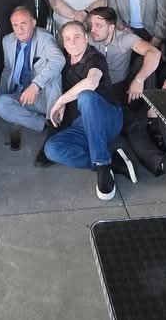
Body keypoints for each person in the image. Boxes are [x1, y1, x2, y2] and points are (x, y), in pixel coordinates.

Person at [43, 21, 125, 200]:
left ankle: (102, 164)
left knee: (86, 96)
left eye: (77, 36)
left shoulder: (95, 58)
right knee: (52, 149)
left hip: (107, 119)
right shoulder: (64, 60)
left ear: (86, 38)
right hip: (81, 125)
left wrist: (61, 101)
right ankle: (112, 162)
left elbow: (91, 82)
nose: (72, 42)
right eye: (67, 38)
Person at [87, 6, 161, 180]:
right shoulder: (88, 39)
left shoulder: (124, 38)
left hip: (122, 87)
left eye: (98, 25)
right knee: (132, 124)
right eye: (91, 25)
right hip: (99, 91)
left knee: (146, 63)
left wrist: (139, 80)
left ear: (111, 27)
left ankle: (152, 117)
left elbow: (154, 52)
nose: (93, 29)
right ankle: (159, 162)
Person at [0, 6, 65, 145]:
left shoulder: (45, 38)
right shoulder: (7, 40)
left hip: (42, 97)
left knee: (54, 77)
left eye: (23, 24)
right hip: (20, 94)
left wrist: (35, 85)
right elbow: (8, 69)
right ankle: (44, 125)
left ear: (33, 22)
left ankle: (53, 122)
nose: (19, 29)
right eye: (15, 25)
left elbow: (58, 60)